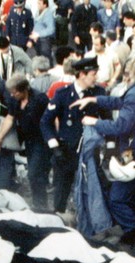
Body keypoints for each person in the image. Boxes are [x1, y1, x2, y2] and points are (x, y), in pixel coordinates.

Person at [73, 56, 135, 246]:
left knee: (117, 199)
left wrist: (94, 121)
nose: (126, 76)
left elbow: (120, 126)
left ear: (134, 73)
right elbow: (119, 102)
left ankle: (133, 234)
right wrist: (94, 99)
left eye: (128, 73)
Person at [40, 56, 107, 216]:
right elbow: (46, 121)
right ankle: (59, 219)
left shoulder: (98, 93)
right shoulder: (63, 94)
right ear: (82, 74)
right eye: (93, 74)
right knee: (61, 188)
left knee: (92, 188)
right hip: (66, 151)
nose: (96, 77)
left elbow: (107, 119)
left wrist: (108, 146)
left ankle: (91, 223)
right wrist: (54, 146)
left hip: (90, 151)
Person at [0, 74, 53, 210]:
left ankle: (41, 205)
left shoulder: (40, 99)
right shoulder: (15, 101)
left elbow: (51, 118)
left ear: (23, 90)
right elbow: (10, 117)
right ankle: (39, 203)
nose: (12, 95)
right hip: (28, 140)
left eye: (14, 93)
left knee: (34, 173)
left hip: (42, 140)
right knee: (34, 173)